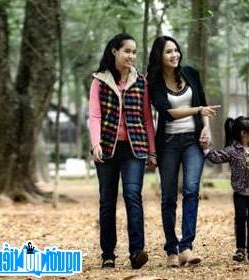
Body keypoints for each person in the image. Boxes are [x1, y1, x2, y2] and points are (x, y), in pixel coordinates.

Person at [146, 35, 220, 267]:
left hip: (192, 141)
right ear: (160, 55)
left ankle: (187, 246)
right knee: (168, 196)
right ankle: (171, 249)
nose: (174, 55)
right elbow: (166, 112)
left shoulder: (190, 73)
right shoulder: (154, 81)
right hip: (167, 142)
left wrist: (206, 129)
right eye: (169, 51)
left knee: (190, 190)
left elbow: (204, 105)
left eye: (176, 50)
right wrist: (197, 109)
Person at [88, 33, 156, 270]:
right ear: (114, 51)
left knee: (132, 196)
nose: (132, 56)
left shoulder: (142, 81)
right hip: (106, 149)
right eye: (127, 51)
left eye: (134, 52)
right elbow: (94, 115)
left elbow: (147, 119)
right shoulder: (99, 80)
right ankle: (108, 254)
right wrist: (95, 143)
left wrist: (152, 151)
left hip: (135, 149)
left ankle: (137, 252)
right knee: (107, 201)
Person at [202, 116, 249, 265]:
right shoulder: (232, 150)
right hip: (240, 193)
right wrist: (206, 149)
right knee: (240, 219)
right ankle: (240, 249)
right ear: (244, 133)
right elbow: (218, 157)